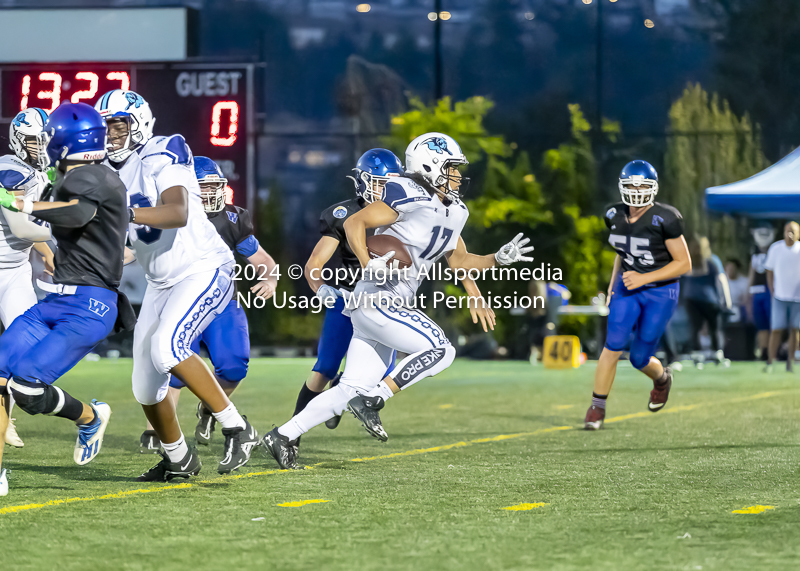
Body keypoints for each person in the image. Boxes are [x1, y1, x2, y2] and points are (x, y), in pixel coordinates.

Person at [262, 132, 528, 469]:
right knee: (442, 350)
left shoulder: (456, 210)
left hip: (382, 306)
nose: (458, 176)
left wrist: (497, 259)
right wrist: (366, 261)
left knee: (349, 388)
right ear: (430, 167)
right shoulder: (408, 192)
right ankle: (376, 398)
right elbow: (356, 222)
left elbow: (459, 262)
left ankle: (283, 435)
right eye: (451, 168)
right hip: (379, 299)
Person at [95, 89, 258, 481]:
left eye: (118, 124)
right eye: (105, 126)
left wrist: (123, 212)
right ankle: (179, 458)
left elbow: (178, 211)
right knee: (145, 386)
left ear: (139, 123)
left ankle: (239, 428)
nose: (111, 134)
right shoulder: (101, 170)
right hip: (160, 281)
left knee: (169, 347)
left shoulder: (162, 151)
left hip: (202, 268)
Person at [0, 103, 133, 498]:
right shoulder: (65, 176)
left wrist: (18, 203)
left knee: (26, 389)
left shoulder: (96, 179)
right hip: (54, 300)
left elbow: (75, 213)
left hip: (88, 306)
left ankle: (90, 417)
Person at [139, 157, 278, 452]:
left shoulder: (231, 219)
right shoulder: (171, 217)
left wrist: (270, 280)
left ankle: (211, 407)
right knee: (170, 364)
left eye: (214, 187)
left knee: (233, 367)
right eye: (203, 188)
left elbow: (262, 259)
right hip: (178, 299)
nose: (211, 194)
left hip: (220, 301)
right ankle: (158, 431)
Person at [289, 148, 403, 452]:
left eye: (390, 183)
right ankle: (291, 435)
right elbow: (314, 264)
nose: (384, 190)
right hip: (349, 300)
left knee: (383, 373)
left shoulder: (404, 216)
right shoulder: (345, 214)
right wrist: (321, 289)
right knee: (324, 368)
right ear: (362, 182)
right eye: (378, 182)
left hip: (384, 303)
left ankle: (343, 388)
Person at [584, 160, 691, 430]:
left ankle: (662, 379)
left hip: (660, 291)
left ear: (653, 188)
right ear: (622, 186)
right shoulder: (613, 214)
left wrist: (645, 277)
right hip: (627, 287)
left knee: (639, 357)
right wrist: (612, 284)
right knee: (613, 345)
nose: (636, 189)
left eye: (642, 185)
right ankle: (597, 407)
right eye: (631, 184)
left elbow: (684, 263)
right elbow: (623, 253)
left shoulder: (665, 218)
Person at [1, 108, 57, 448]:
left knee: (25, 348)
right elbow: (21, 224)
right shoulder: (10, 169)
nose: (39, 147)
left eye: (43, 140)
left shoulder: (43, 173)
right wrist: (49, 252)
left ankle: (7, 421)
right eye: (33, 141)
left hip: (15, 270)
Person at [682, 236, 731, 366]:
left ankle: (711, 354)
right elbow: (722, 280)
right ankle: (703, 354)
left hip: (704, 299)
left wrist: (726, 299)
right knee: (702, 327)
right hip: (699, 299)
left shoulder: (710, 261)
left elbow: (721, 279)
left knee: (707, 327)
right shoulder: (692, 260)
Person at [764, 221, 800, 373]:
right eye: (787, 230)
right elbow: (769, 270)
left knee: (795, 329)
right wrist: (772, 289)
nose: (790, 234)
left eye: (793, 231)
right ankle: (771, 361)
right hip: (779, 296)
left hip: (797, 298)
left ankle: (790, 362)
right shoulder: (776, 249)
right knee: (776, 329)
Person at [749, 224, 775, 359]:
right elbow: (751, 275)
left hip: (769, 292)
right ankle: (763, 351)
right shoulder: (754, 256)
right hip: (757, 292)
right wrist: (748, 295)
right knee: (761, 324)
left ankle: (772, 351)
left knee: (772, 323)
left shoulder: (774, 254)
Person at [725, 259, 750, 323]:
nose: (731, 270)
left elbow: (746, 298)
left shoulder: (744, 282)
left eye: (732, 268)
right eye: (729, 268)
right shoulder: (721, 282)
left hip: (739, 308)